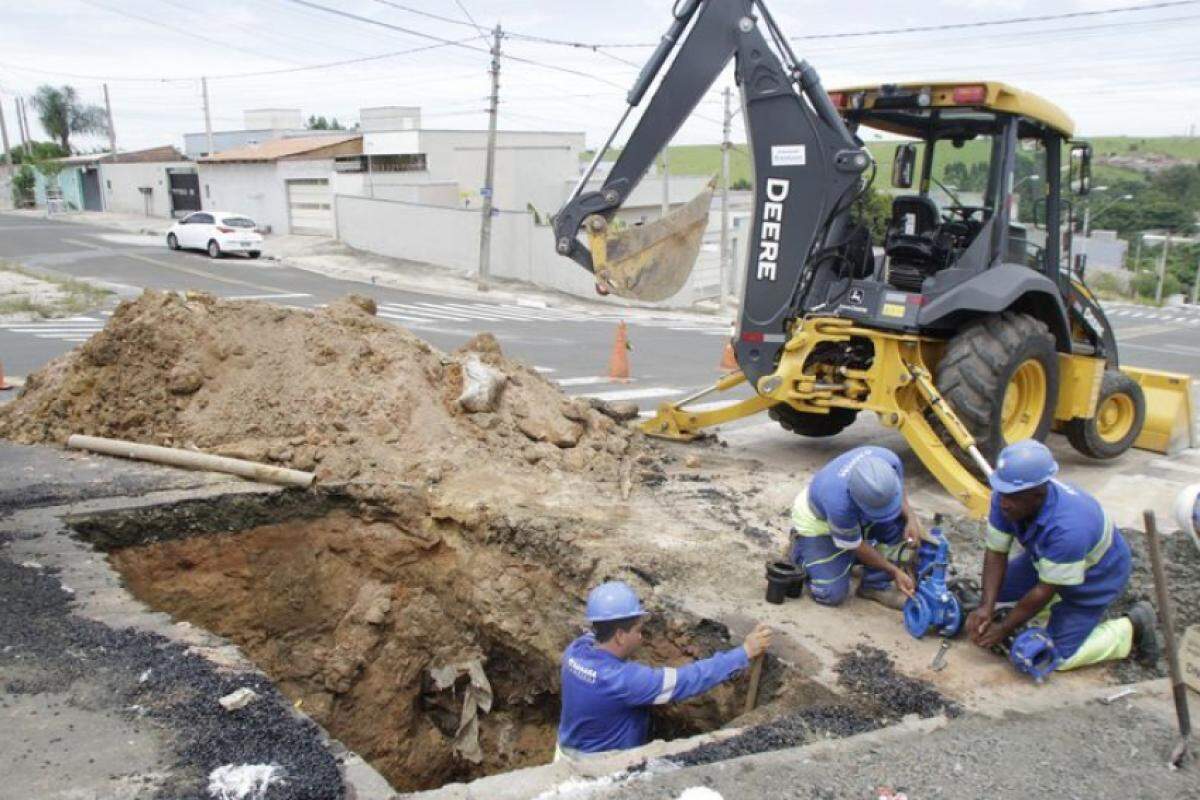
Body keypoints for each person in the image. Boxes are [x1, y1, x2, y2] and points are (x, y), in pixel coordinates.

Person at [964, 439, 1159, 673]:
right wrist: (986, 607)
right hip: (1047, 558)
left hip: (1098, 575)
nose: (1003, 502)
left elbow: (1045, 589)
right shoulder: (1007, 496)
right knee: (996, 593)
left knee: (1050, 657)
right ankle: (1049, 605)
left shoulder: (1068, 528)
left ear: (1038, 494)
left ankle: (1133, 626)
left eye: (1012, 497)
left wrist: (1004, 628)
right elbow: (996, 552)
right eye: (1001, 492)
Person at [557, 581, 772, 759]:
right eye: (638, 631)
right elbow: (687, 679)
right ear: (620, 636)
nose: (641, 637)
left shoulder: (575, 650)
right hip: (600, 765)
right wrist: (744, 652)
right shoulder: (625, 681)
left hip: (566, 751)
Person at [788, 445, 922, 609]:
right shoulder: (838, 503)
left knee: (900, 526)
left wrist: (911, 518)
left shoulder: (889, 461)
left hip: (852, 516)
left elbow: (897, 491)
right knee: (829, 593)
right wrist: (894, 571)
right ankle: (801, 549)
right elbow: (856, 545)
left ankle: (873, 586)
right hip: (819, 523)